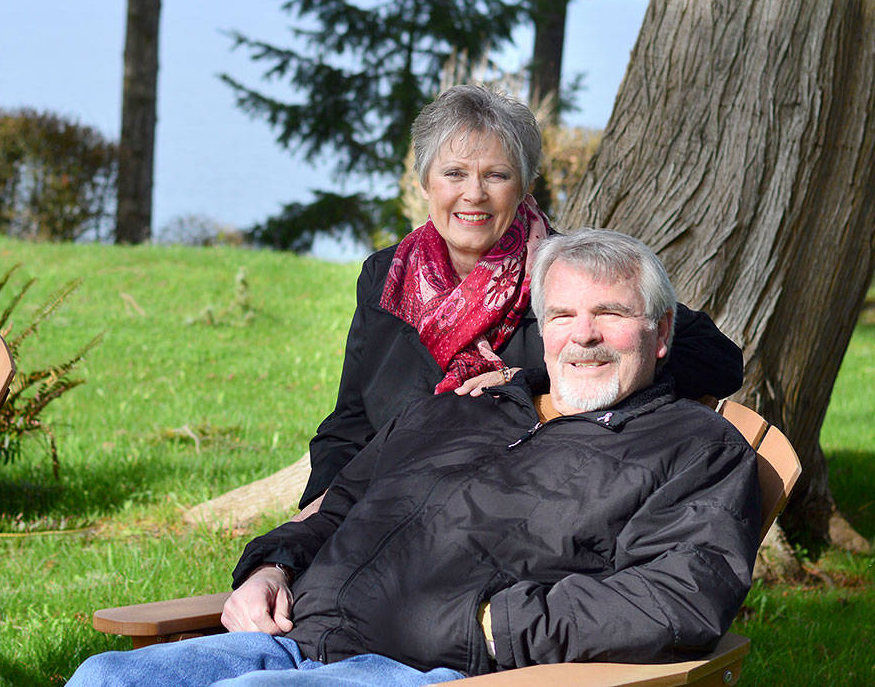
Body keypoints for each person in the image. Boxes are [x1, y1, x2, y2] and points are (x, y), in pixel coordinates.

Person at [68, 229, 762, 685]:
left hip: (434, 669)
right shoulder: (458, 410)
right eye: (562, 316)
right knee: (105, 676)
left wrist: (492, 625)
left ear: (661, 330)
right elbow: (337, 505)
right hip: (293, 639)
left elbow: (676, 595)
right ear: (541, 330)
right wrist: (269, 566)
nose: (584, 336)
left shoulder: (692, 448)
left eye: (609, 313)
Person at [300, 84, 744, 511]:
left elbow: (718, 360)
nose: (473, 193)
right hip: (387, 507)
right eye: (453, 173)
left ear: (525, 185)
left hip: (520, 516)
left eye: (496, 175)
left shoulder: (570, 276)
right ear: (424, 183)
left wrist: (534, 380)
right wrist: (314, 521)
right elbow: (350, 424)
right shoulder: (386, 277)